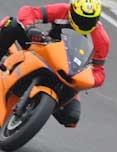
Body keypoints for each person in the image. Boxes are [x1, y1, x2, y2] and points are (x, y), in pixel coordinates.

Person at [0, 0, 110, 128]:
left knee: (71, 117)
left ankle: (34, 112)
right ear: (72, 10)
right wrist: (31, 28)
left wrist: (89, 80)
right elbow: (29, 11)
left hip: (70, 72)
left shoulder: (102, 40)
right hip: (44, 49)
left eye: (89, 20)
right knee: (12, 25)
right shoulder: (62, 10)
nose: (84, 23)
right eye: (80, 18)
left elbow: (99, 70)